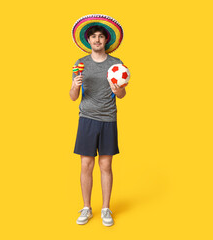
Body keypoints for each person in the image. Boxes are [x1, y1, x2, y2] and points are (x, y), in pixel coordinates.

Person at [70, 14, 127, 227]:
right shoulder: (80, 63)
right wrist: (75, 85)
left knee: (105, 164)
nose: (97, 40)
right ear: (88, 40)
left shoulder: (116, 64)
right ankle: (86, 207)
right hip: (86, 118)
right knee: (86, 164)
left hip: (108, 118)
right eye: (93, 36)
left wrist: (118, 89)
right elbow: (73, 96)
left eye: (101, 36)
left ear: (106, 40)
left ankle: (105, 208)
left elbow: (122, 95)